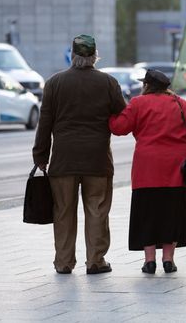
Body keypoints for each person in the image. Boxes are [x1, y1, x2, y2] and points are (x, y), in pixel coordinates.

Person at [32, 34, 126, 274]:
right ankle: (96, 261)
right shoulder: (108, 83)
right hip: (98, 159)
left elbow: (45, 123)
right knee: (97, 210)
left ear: (72, 56)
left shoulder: (54, 83)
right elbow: (122, 117)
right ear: (94, 56)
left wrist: (40, 156)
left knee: (63, 211)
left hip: (63, 160)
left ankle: (63, 262)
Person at [109, 69, 186, 274]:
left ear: (147, 85)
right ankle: (168, 260)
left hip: (146, 169)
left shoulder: (139, 103)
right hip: (176, 170)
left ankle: (149, 261)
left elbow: (119, 127)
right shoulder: (182, 104)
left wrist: (111, 115)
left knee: (147, 214)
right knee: (171, 214)